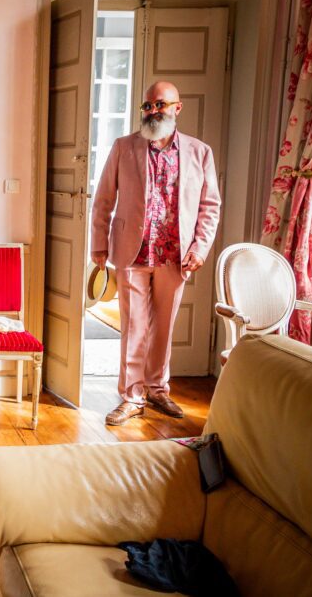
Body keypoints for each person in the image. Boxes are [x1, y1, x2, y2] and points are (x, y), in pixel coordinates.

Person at [90, 81, 221, 427]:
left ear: (178, 108)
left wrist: (200, 248)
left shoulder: (199, 152)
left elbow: (210, 206)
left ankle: (158, 389)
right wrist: (99, 245)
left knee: (163, 326)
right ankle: (132, 396)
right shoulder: (124, 148)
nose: (152, 111)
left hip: (175, 255)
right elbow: (103, 200)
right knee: (133, 327)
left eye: (160, 105)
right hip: (132, 252)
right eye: (147, 106)